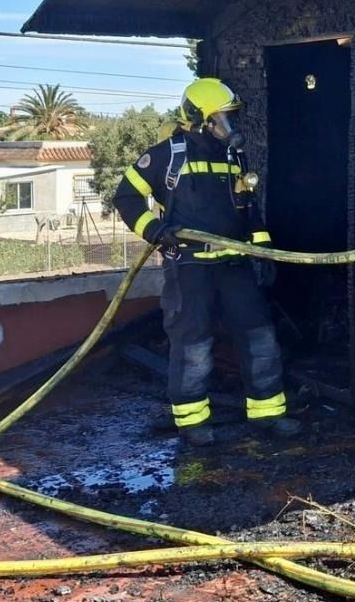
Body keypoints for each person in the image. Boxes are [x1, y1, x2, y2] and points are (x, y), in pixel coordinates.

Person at [110, 79, 301, 447]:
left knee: (259, 335)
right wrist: (156, 231)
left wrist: (262, 251)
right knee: (193, 343)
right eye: (225, 117)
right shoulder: (168, 154)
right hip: (189, 267)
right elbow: (126, 196)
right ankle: (192, 421)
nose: (232, 124)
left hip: (235, 266)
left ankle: (268, 414)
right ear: (201, 118)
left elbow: (248, 208)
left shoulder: (232, 157)